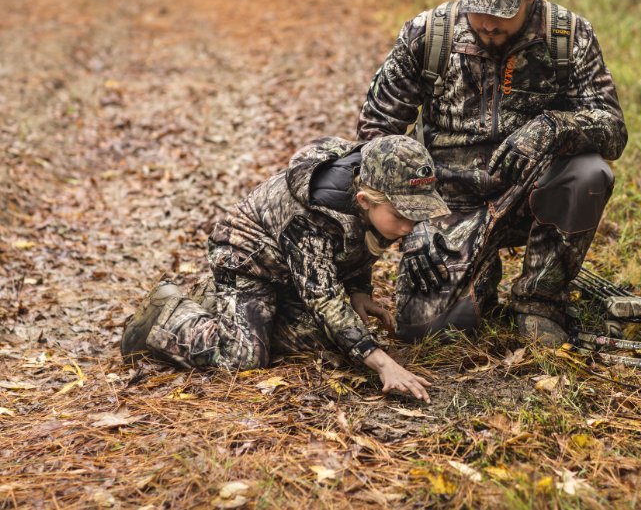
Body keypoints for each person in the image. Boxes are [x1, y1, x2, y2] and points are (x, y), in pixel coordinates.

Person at [357, 0, 628, 345]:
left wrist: (552, 128)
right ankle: (478, 277)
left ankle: (541, 298)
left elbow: (612, 129)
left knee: (589, 173)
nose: (487, 24)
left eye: (501, 12)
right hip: (446, 201)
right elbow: (375, 137)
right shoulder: (428, 35)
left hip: (531, 193)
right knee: (428, 332)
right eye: (478, 9)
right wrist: (414, 223)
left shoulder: (568, 37)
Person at [120, 134, 450, 402]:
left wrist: (359, 291)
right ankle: (170, 313)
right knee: (244, 359)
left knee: (326, 340)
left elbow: (355, 248)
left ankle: (229, 309)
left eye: (417, 214)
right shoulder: (314, 219)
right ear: (364, 200)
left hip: (294, 272)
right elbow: (324, 299)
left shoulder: (377, 200)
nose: (410, 226)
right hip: (248, 263)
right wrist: (383, 364)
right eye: (402, 215)